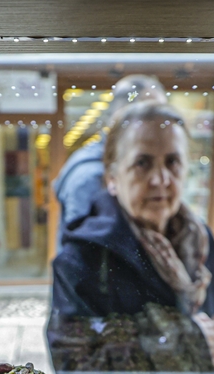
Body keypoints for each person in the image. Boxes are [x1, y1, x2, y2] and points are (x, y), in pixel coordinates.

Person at [49, 102, 214, 372]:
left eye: (172, 161)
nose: (160, 179)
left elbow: (205, 311)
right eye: (142, 163)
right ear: (112, 177)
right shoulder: (84, 257)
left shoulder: (199, 240)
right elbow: (74, 364)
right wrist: (183, 343)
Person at [52, 75, 168, 251]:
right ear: (121, 116)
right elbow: (80, 257)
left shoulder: (130, 162)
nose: (162, 124)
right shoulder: (90, 176)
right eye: (152, 115)